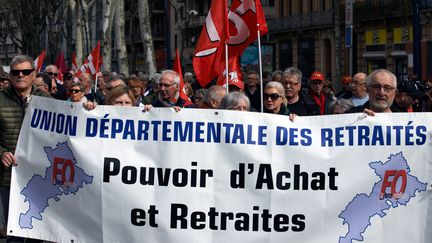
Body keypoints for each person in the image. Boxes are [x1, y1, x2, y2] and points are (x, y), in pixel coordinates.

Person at [0, 55, 51, 237]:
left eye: (26, 71)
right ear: (10, 75)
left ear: (33, 74)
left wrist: (91, 110)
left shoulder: (46, 99)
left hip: (38, 177)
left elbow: (65, 130)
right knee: (12, 228)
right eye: (16, 72)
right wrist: (1, 153)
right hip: (7, 177)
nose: (21, 75)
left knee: (35, 229)